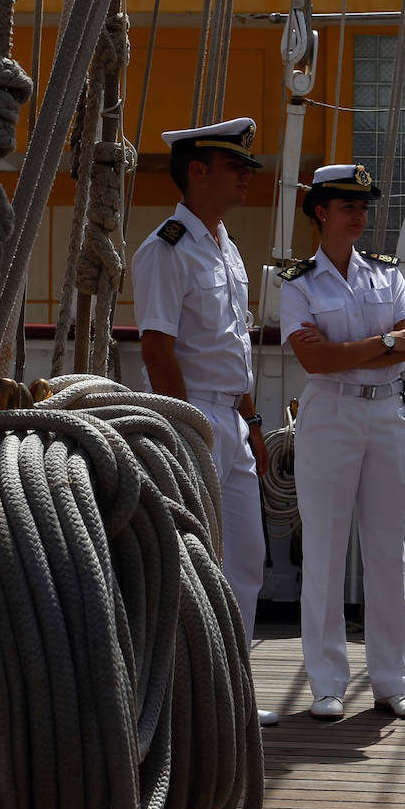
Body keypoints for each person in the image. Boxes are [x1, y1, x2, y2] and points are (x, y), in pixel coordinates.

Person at [131, 117, 278, 727]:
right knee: (191, 562)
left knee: (246, 557)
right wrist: (188, 428)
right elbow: (157, 349)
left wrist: (254, 423)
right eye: (234, 166)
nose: (246, 175)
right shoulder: (164, 249)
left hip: (233, 422)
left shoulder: (226, 246)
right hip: (191, 419)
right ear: (197, 171)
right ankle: (176, 698)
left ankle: (230, 689)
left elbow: (233, 350)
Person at [278, 164, 405, 721]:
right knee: (324, 550)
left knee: (388, 550)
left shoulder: (387, 274)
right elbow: (313, 359)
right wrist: (385, 341)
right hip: (330, 417)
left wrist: (364, 348)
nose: (360, 215)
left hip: (386, 414)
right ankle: (327, 684)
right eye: (348, 207)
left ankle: (394, 682)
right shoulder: (297, 283)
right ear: (321, 213)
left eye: (364, 206)